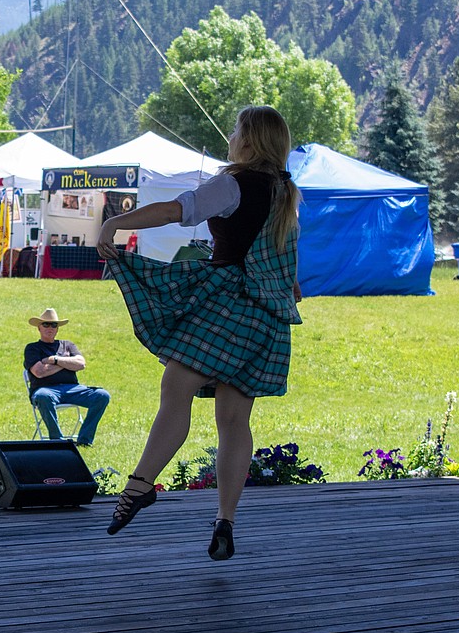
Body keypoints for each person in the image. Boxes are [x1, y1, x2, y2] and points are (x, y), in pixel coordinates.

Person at [96, 105, 303, 561]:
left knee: (178, 386)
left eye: (235, 131)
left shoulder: (233, 183)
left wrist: (115, 222)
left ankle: (139, 485)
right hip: (266, 317)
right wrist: (286, 288)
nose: (230, 138)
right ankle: (225, 519)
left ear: (248, 141)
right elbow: (286, 265)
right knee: (234, 421)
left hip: (229, 302)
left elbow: (177, 209)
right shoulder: (285, 190)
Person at [23, 308, 111, 447]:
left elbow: (81, 364)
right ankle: (58, 441)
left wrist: (54, 359)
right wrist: (67, 362)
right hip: (46, 390)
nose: (50, 328)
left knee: (102, 395)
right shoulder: (32, 348)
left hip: (73, 389)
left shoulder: (68, 345)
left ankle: (84, 440)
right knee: (43, 397)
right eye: (46, 324)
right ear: (39, 327)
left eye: (54, 325)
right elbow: (39, 372)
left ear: (57, 328)